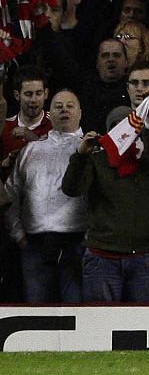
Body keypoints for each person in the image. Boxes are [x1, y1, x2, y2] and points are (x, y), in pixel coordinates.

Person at [61, 101, 149, 304]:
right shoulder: (96, 158)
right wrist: (81, 155)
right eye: (117, 127)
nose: (124, 134)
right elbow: (72, 189)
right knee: (100, 326)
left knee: (146, 327)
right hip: (102, 257)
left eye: (129, 127)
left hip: (143, 258)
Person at [1, 89, 88, 303]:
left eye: (70, 105)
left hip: (76, 245)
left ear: (80, 113)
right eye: (58, 106)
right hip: (34, 245)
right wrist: (19, 236)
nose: (64, 110)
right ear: (50, 113)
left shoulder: (89, 149)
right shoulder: (31, 150)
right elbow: (12, 194)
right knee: (36, 314)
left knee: (74, 312)